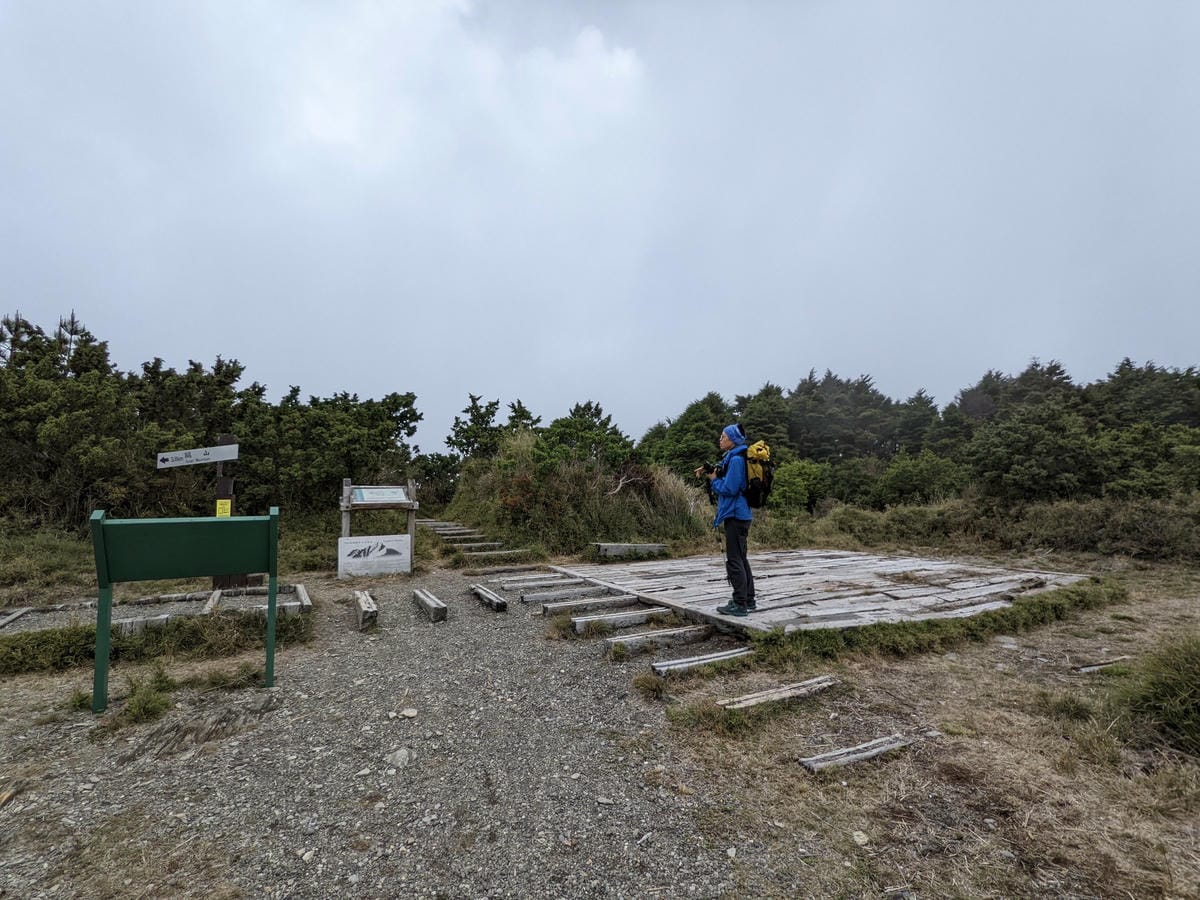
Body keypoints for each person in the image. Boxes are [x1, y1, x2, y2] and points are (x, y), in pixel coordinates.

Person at [695, 423, 755, 616]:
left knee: (734, 560)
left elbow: (729, 489)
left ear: (733, 440)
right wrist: (710, 470)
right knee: (741, 558)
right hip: (740, 514)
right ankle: (748, 599)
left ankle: (739, 605)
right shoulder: (736, 456)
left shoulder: (737, 460)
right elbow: (724, 472)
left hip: (736, 515)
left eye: (723, 437)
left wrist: (713, 480)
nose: (720, 440)